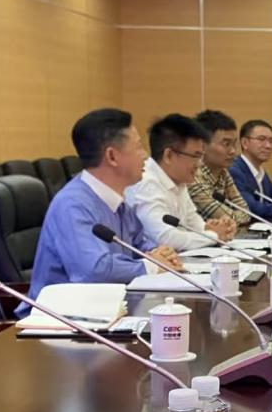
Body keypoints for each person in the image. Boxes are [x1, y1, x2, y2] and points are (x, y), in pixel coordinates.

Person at [28, 108, 182, 299]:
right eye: (138, 147)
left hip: (108, 305)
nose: (145, 156)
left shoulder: (117, 201)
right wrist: (152, 265)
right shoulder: (72, 205)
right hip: (60, 313)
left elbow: (139, 243)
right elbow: (93, 271)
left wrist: (160, 253)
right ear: (112, 157)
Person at [126, 114, 238, 251]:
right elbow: (163, 238)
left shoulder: (179, 179)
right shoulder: (145, 183)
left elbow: (193, 222)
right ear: (169, 156)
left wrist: (215, 229)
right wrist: (214, 235)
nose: (200, 163)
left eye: (201, 156)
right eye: (195, 156)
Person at [189, 109, 252, 227]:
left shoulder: (223, 172)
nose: (233, 151)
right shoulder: (193, 177)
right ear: (202, 145)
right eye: (226, 144)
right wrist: (237, 217)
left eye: (234, 144)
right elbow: (227, 218)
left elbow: (246, 214)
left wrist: (237, 216)